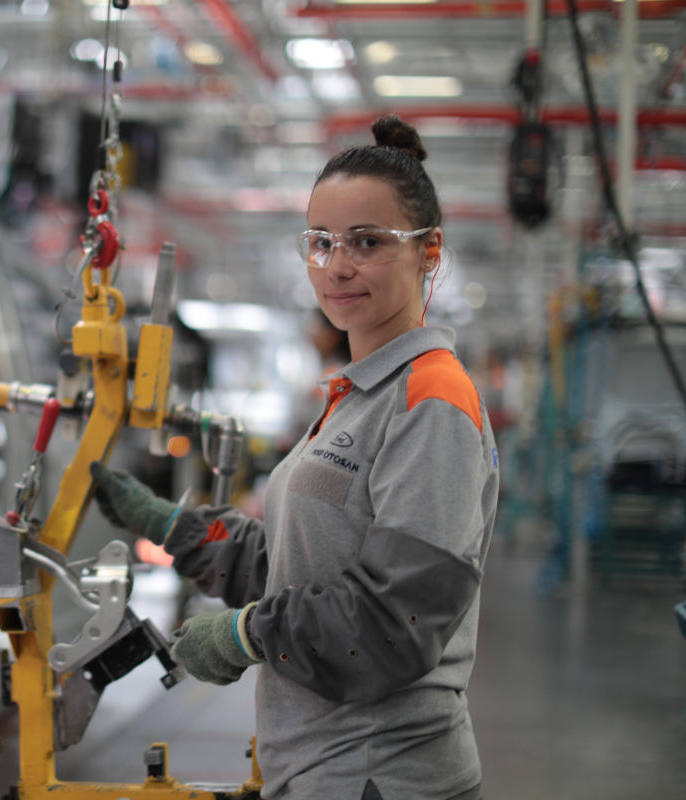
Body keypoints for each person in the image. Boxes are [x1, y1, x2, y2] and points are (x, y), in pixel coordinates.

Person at [90, 115, 497, 800]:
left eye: (368, 242)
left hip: (381, 777)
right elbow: (294, 567)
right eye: (321, 242)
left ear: (429, 252)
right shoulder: (357, 396)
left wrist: (244, 634)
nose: (337, 266)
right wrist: (173, 527)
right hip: (316, 769)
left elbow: (394, 624)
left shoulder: (432, 399)